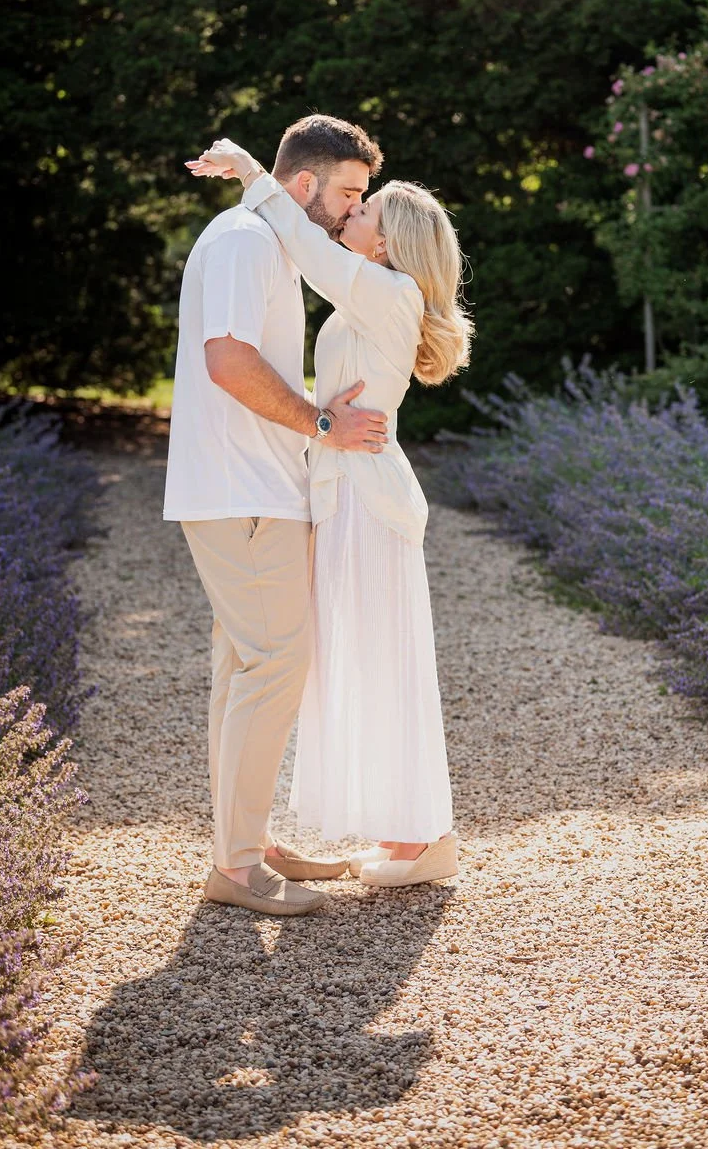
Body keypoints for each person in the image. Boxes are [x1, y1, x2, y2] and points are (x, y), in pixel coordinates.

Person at [188, 134, 473, 888]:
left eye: (364, 205)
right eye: (351, 195)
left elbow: (312, 260)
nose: (353, 210)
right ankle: (402, 832)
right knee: (350, 662)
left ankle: (427, 838)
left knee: (386, 660)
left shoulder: (391, 293)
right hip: (340, 490)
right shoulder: (369, 292)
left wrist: (254, 174)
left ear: (390, 237)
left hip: (367, 496)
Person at [164, 115, 390, 918]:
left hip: (254, 490)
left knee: (245, 671)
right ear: (305, 186)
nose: (352, 208)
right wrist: (321, 426)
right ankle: (236, 866)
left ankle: (248, 841)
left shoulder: (268, 242)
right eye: (349, 193)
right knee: (274, 668)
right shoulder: (243, 243)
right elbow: (227, 360)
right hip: (242, 492)